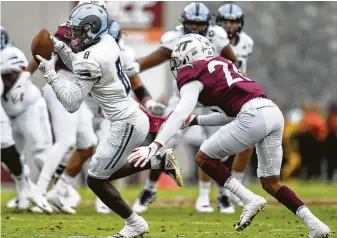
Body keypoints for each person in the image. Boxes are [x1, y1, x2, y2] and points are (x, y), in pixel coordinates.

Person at [128, 34, 331, 238]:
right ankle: (315, 225)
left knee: (203, 157)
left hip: (252, 115)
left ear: (188, 56)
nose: (177, 65)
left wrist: (155, 145)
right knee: (270, 182)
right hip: (271, 112)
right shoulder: (222, 63)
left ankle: (248, 198)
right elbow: (229, 114)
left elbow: (181, 112)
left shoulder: (191, 72)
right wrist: (195, 120)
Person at [36, 3, 183, 237]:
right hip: (131, 116)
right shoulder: (107, 42)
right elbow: (79, 60)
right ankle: (157, 161)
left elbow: (72, 103)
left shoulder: (91, 58)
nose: (74, 35)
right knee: (104, 173)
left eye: (79, 31)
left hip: (125, 123)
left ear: (92, 30)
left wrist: (50, 74)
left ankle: (135, 224)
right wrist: (60, 47)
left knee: (95, 180)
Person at [131, 1, 238, 214]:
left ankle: (222, 194)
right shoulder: (174, 38)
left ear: (208, 25)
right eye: (192, 24)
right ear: (184, 24)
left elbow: (234, 63)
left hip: (211, 101)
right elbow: (155, 57)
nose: (196, 29)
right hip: (182, 98)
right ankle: (149, 189)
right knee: (163, 143)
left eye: (200, 25)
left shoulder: (217, 36)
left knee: (222, 147)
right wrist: (131, 66)